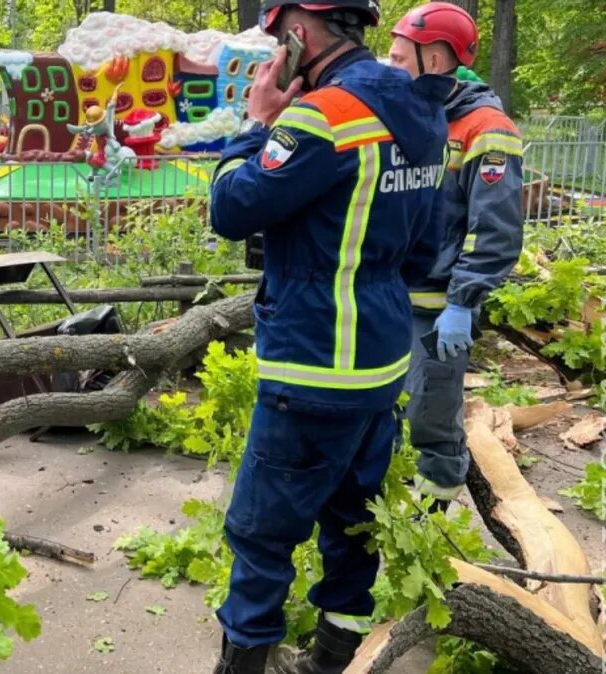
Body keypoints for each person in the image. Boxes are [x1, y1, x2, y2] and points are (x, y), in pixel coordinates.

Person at [207, 1, 452, 672]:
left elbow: (230, 210)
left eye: (277, 39)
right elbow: (423, 247)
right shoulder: (423, 111)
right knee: (353, 534)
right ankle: (329, 664)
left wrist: (257, 123)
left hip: (312, 366)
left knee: (261, 538)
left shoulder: (321, 116)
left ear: (297, 33)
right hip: (381, 365)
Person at [387, 2, 525, 512]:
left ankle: (431, 528)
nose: (390, 67)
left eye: (399, 58)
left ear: (436, 60)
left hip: (440, 309)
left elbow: (495, 231)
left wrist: (463, 302)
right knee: (383, 413)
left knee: (431, 419)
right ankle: (384, 516)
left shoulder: (487, 128)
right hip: (388, 298)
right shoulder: (412, 117)